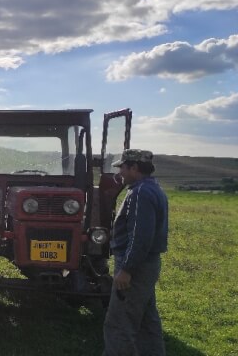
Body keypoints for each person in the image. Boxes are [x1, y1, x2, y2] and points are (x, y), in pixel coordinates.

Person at [103, 149, 168, 356]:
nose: (120, 171)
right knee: (146, 321)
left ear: (134, 168)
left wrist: (127, 270)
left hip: (135, 267)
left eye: (123, 166)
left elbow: (140, 237)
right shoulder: (152, 188)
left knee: (120, 323)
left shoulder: (140, 193)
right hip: (146, 265)